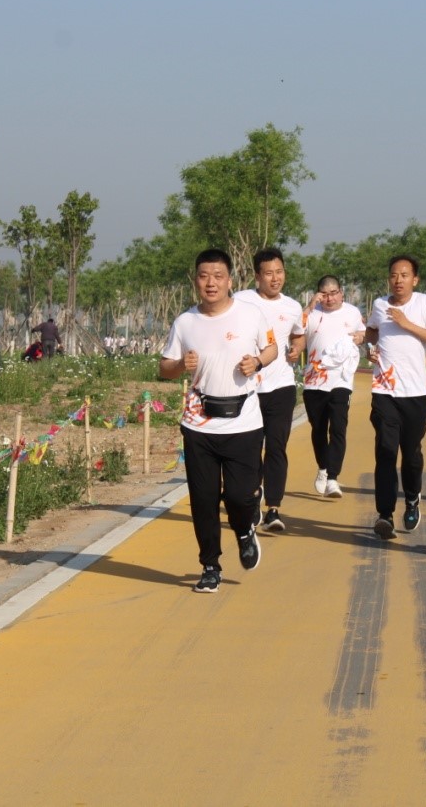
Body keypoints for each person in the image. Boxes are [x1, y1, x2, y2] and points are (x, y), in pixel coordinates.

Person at [159, 248, 278, 593]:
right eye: (203, 276)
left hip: (244, 422)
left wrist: (257, 362)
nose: (210, 283)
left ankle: (244, 530)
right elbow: (164, 368)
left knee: (241, 496)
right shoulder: (185, 322)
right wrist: (182, 365)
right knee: (203, 499)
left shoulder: (251, 314)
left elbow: (272, 349)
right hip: (199, 425)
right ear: (195, 280)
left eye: (217, 276)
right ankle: (210, 565)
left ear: (230, 280)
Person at [365, 254, 426, 540]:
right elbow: (372, 332)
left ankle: (412, 499)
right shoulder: (379, 304)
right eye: (394, 275)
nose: (398, 280)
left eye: (404, 275)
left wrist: (406, 323)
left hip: (415, 393)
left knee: (410, 454)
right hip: (385, 390)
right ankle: (384, 515)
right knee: (386, 452)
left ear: (415, 279)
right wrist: (368, 348)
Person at [233, 248, 305, 532]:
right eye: (269, 273)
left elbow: (298, 334)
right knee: (250, 450)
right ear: (257, 276)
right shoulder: (241, 301)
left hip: (282, 387)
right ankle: (252, 498)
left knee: (276, 448)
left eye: (280, 272)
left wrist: (297, 348)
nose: (275, 279)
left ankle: (273, 508)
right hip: (248, 389)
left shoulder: (292, 307)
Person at [301, 275, 365, 500]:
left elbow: (364, 333)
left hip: (341, 380)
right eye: (324, 294)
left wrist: (360, 337)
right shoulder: (312, 314)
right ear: (318, 294)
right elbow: (296, 330)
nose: (330, 298)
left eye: (334, 293)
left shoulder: (353, 313)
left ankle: (332, 479)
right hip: (314, 380)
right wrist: (309, 306)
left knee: (338, 427)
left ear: (342, 293)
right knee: (318, 429)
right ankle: (323, 467)